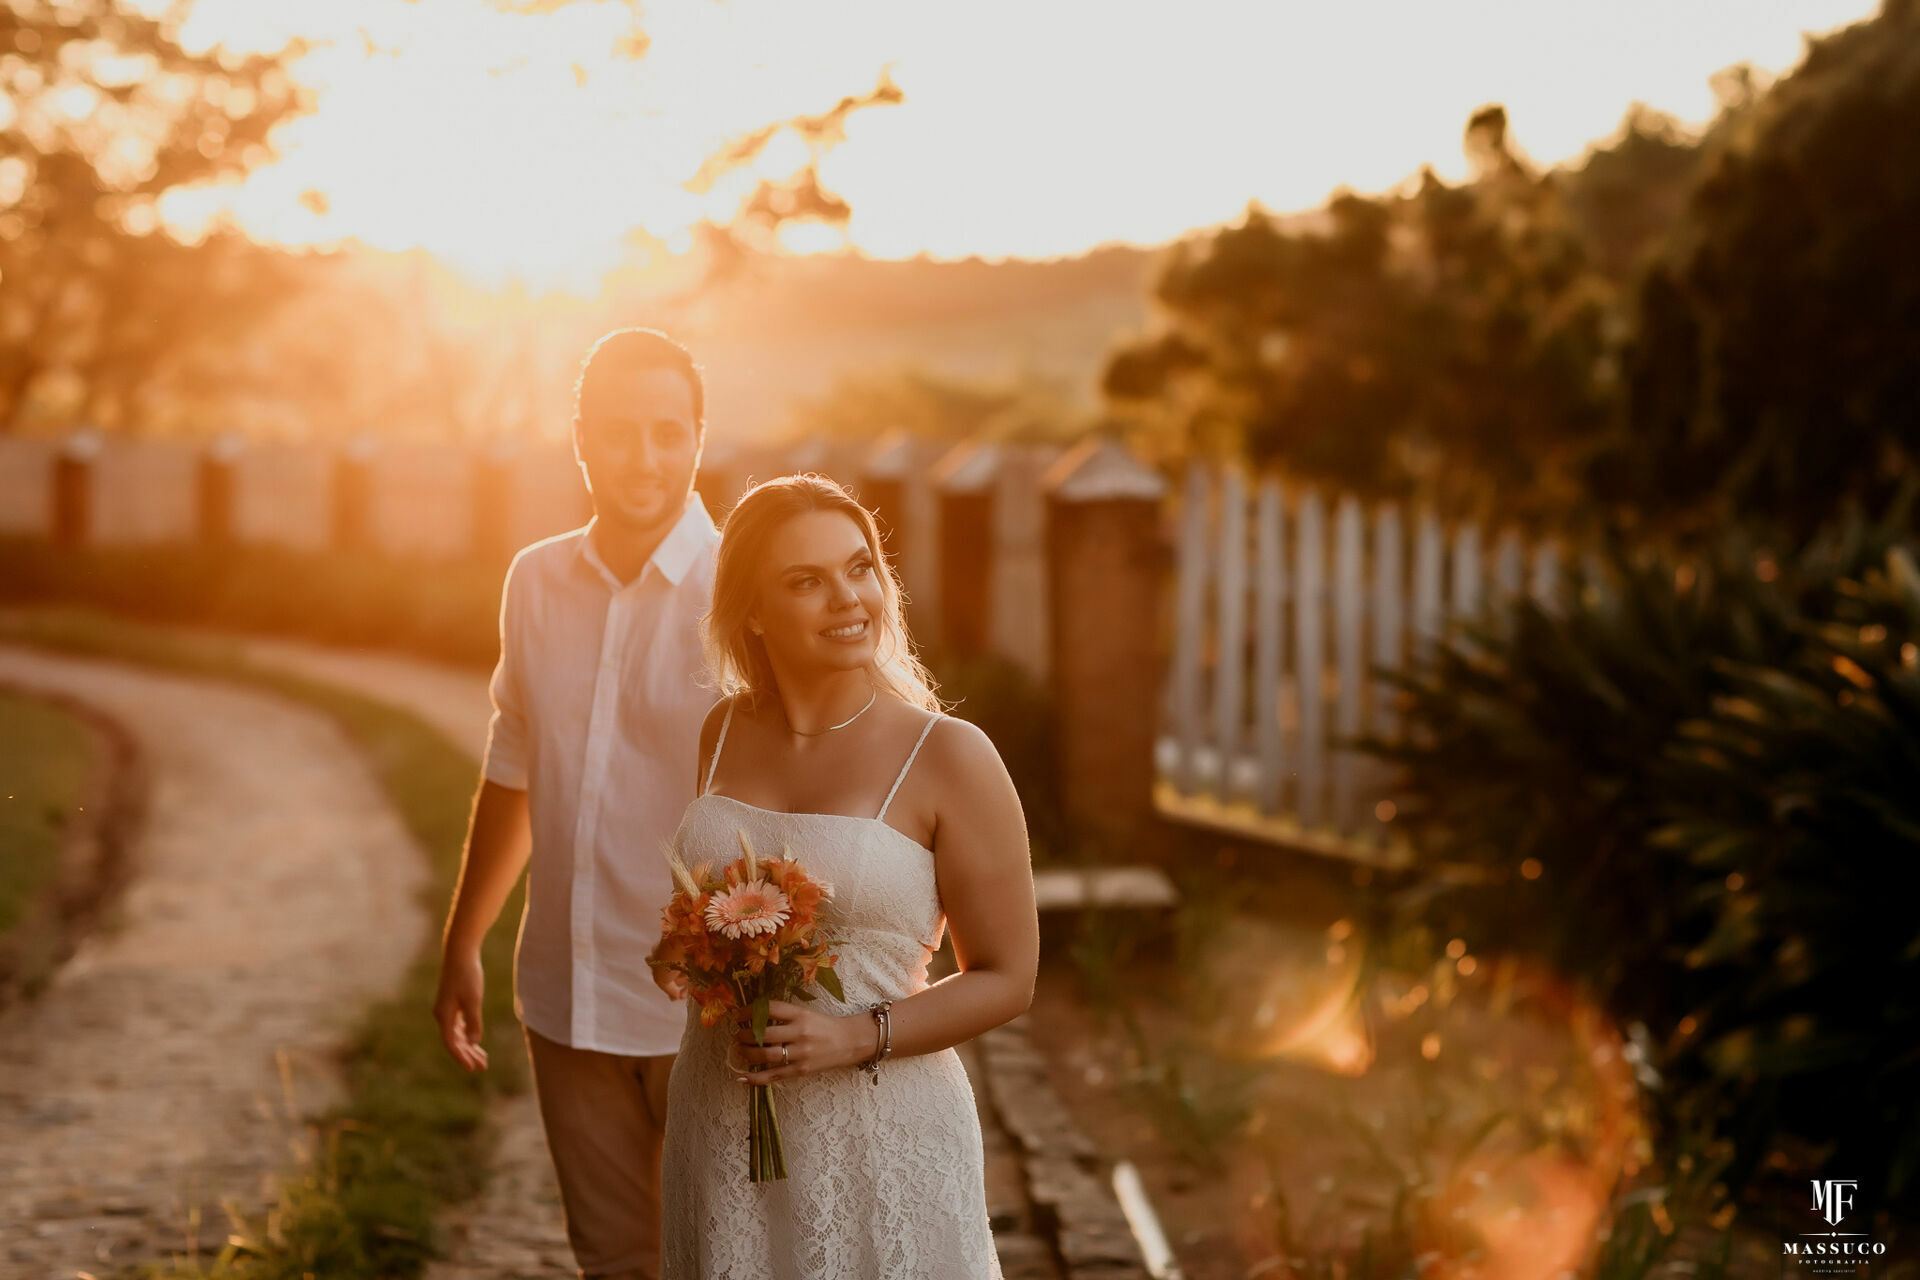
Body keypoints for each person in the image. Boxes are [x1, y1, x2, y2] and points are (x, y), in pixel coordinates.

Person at [655, 473, 1039, 1279]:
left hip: (884, 1131)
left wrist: (854, 1034)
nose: (848, 598)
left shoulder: (950, 755)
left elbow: (1009, 977)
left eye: (860, 568)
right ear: (753, 611)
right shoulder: (722, 729)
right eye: (807, 581)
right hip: (722, 1113)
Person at [432, 328, 717, 1280]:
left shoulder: (743, 590)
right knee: (616, 1263)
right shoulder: (535, 580)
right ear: (580, 438)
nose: (645, 458)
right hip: (567, 995)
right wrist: (464, 936)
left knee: (726, 1260)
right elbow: (515, 763)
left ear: (697, 441)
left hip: (713, 1015)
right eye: (622, 431)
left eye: (667, 433)